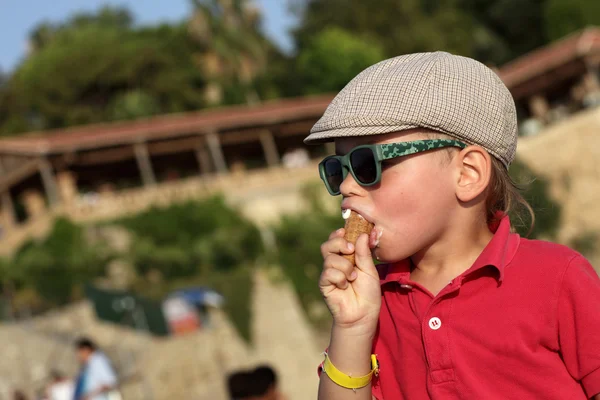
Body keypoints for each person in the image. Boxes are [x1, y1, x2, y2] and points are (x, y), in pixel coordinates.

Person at [304, 52, 600, 399]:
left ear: (467, 174)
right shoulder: (372, 301)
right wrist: (352, 327)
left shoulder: (558, 278)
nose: (345, 186)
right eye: (338, 169)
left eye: (367, 163)